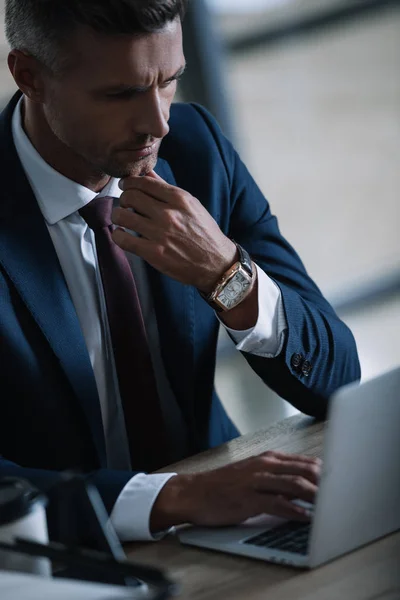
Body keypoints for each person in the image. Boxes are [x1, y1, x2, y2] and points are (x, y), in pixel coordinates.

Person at [0, 0, 360, 542]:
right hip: (62, 555)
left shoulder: (197, 150)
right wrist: (177, 496)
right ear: (30, 76)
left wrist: (226, 273)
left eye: (169, 80)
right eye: (120, 93)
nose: (157, 122)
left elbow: (338, 381)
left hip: (232, 520)